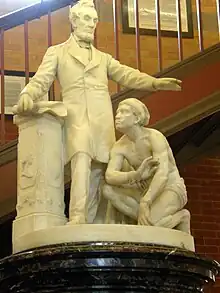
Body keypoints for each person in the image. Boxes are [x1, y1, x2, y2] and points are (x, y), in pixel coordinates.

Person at [16, 0, 183, 225]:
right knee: (81, 162)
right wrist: (28, 94)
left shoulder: (103, 59)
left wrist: (154, 83)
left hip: (102, 120)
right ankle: (77, 218)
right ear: (73, 21)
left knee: (101, 172)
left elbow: (126, 74)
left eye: (94, 20)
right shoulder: (57, 53)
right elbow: (41, 80)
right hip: (76, 118)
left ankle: (98, 223)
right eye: (86, 19)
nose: (91, 24)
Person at [103, 98, 190, 233]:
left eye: (124, 112)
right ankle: (146, 217)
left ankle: (181, 217)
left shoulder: (154, 137)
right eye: (117, 112)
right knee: (108, 190)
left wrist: (146, 201)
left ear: (137, 118)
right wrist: (136, 175)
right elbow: (110, 176)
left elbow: (162, 174)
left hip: (170, 188)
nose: (117, 116)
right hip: (144, 191)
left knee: (149, 226)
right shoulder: (120, 146)